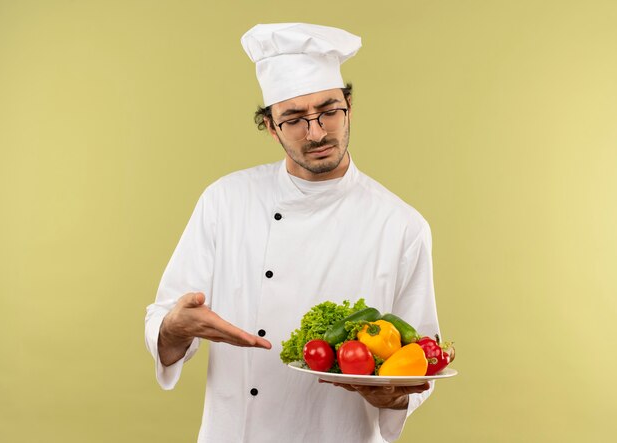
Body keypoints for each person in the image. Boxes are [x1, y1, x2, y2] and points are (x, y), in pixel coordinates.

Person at [145, 23, 440, 443]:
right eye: (295, 119)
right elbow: (164, 322)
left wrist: (392, 397)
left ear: (349, 105)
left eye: (328, 111)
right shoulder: (225, 201)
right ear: (270, 126)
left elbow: (419, 355)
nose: (317, 132)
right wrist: (175, 327)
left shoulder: (403, 226)